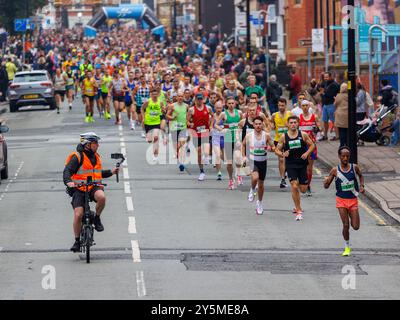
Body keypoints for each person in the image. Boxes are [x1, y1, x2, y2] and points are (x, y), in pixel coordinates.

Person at [64, 132, 119, 253]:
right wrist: (69, 182)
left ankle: (97, 218)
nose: (97, 145)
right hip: (79, 188)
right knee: (78, 214)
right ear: (87, 144)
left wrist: (111, 172)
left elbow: (97, 174)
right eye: (95, 143)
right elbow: (67, 172)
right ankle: (77, 241)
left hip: (93, 186)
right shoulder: (77, 157)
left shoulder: (96, 156)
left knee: (102, 197)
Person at [323, 146, 364, 256]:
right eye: (343, 156)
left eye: (347, 156)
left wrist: (362, 186)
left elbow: (361, 176)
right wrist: (326, 181)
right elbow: (326, 186)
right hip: (341, 200)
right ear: (339, 157)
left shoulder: (354, 167)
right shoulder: (335, 170)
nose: (345, 158)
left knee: (355, 227)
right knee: (345, 225)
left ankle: (352, 216)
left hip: (353, 200)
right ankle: (347, 247)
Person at [275, 116, 315, 221]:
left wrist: (307, 153)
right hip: (291, 165)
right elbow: (276, 150)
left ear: (298, 124)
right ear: (287, 124)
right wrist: (283, 153)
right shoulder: (284, 137)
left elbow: (312, 145)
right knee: (294, 185)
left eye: (295, 122)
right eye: (291, 122)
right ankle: (298, 209)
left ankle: (297, 203)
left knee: (303, 189)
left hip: (302, 165)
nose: (293, 124)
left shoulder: (303, 134)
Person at [242, 116, 275, 215]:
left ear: (262, 124)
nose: (258, 126)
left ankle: (259, 203)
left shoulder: (267, 135)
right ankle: (252, 189)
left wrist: (271, 148)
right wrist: (244, 156)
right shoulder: (249, 136)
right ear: (253, 125)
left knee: (261, 186)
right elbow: (243, 145)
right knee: (255, 178)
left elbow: (273, 146)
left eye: (260, 124)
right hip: (253, 161)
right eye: (256, 124)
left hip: (263, 162)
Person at [215, 97, 243, 190]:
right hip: (227, 138)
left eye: (232, 103)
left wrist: (240, 130)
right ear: (226, 104)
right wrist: (222, 129)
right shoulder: (223, 114)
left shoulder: (239, 113)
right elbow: (215, 124)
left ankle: (238, 175)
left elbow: (242, 123)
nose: (231, 105)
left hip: (237, 138)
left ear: (235, 104)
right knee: (229, 163)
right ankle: (231, 180)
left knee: (238, 158)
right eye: (229, 103)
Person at [187, 93, 213, 181]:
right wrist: (190, 124)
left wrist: (211, 125)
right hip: (196, 132)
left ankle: (206, 157)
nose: (199, 101)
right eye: (198, 99)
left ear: (203, 99)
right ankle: (202, 172)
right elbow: (187, 120)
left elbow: (213, 117)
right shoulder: (191, 110)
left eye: (201, 99)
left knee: (206, 149)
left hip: (205, 131)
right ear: (195, 99)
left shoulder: (208, 108)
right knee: (198, 152)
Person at [299, 100, 321, 196]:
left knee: (309, 168)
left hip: (311, 145)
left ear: (309, 106)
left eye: (306, 105)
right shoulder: (298, 118)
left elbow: (319, 128)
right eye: (303, 105)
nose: (305, 107)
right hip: (301, 145)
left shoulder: (314, 117)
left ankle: (308, 185)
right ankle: (302, 183)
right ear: (301, 107)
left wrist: (316, 127)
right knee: (301, 166)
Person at [271, 98, 292, 188]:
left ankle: (285, 170)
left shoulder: (290, 114)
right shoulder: (274, 115)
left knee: (288, 159)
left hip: (288, 139)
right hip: (278, 140)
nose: (281, 107)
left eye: (282, 105)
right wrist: (272, 126)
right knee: (281, 159)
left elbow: (295, 125)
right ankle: (282, 179)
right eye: (279, 105)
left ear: (285, 105)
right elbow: (271, 125)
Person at [167, 91, 188, 172]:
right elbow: (167, 116)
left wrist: (189, 122)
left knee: (182, 144)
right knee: (176, 147)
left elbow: (188, 116)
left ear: (183, 97)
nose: (180, 98)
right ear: (176, 97)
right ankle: (179, 162)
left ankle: (182, 163)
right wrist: (172, 118)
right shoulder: (172, 106)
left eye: (181, 96)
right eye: (179, 96)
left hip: (183, 128)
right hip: (174, 128)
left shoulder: (186, 106)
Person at [142, 88, 163, 162]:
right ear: (151, 95)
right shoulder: (148, 102)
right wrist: (143, 118)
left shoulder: (160, 102)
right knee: (150, 140)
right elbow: (142, 108)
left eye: (155, 94)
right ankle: (148, 138)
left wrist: (163, 110)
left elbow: (162, 110)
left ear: (157, 94)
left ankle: (155, 155)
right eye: (153, 94)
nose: (154, 95)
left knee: (156, 137)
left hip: (156, 123)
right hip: (148, 122)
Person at [321, 72, 340, 141]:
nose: (325, 78)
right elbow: (319, 86)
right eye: (324, 77)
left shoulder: (334, 85)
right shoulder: (325, 83)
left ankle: (337, 136)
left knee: (334, 121)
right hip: (325, 105)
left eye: (327, 77)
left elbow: (331, 94)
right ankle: (325, 135)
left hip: (331, 104)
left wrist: (323, 92)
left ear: (330, 77)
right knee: (324, 120)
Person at [334, 83, 349, 147]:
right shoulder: (349, 95)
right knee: (347, 131)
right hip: (347, 114)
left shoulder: (338, 96)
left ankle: (342, 144)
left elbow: (335, 104)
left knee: (341, 130)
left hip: (340, 114)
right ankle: (347, 143)